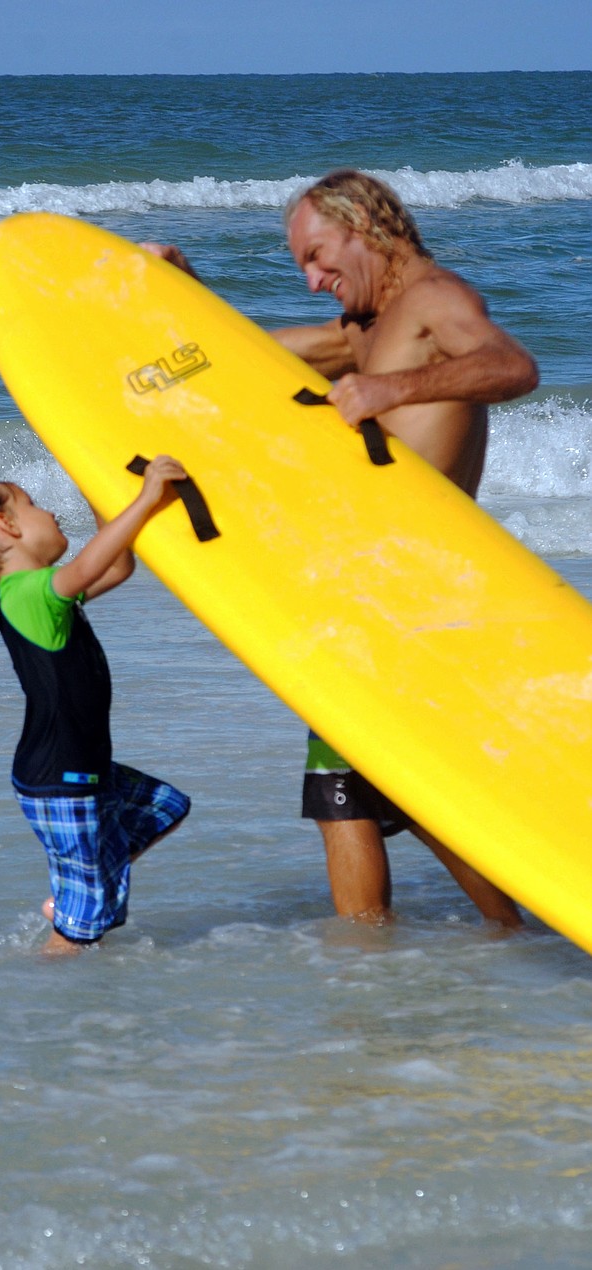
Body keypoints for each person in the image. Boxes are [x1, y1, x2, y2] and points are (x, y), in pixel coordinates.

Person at [143, 169, 539, 928]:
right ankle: (491, 938)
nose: (313, 278)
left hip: (415, 589)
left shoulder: (434, 301)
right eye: (301, 265)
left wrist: (391, 392)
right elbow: (246, 357)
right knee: (374, 785)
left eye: (318, 256)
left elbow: (512, 367)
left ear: (365, 227)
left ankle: (397, 963)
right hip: (373, 589)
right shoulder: (366, 326)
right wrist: (185, 287)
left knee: (354, 787)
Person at [0, 457, 191, 955]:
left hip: (78, 769)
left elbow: (119, 564)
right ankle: (51, 972)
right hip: (61, 780)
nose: (50, 512)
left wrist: (100, 487)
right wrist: (147, 498)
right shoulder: (24, 594)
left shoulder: (48, 597)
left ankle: (77, 894)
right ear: (7, 526)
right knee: (83, 929)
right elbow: (88, 564)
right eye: (33, 504)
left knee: (165, 806)